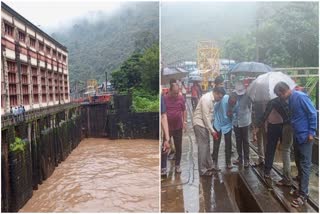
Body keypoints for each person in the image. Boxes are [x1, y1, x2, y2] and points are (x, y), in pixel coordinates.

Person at [274, 82, 317, 208]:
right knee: (298, 162)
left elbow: (313, 113)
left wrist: (312, 131)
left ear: (283, 91)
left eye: (279, 95)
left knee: (304, 165)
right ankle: (301, 190)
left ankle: (303, 195)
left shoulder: (300, 97)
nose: (280, 97)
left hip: (305, 136)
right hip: (297, 135)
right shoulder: (291, 100)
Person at [255, 97, 292, 186]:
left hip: (275, 127)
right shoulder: (287, 100)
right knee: (285, 151)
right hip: (285, 126)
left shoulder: (272, 101)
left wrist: (257, 126)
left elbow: (265, 115)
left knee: (271, 149)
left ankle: (267, 171)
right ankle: (286, 176)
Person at [193, 87, 225, 176]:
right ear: (216, 93)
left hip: (204, 125)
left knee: (206, 145)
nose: (220, 99)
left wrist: (211, 129)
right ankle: (202, 170)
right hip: (200, 124)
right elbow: (205, 117)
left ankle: (209, 166)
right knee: (203, 147)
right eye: (220, 97)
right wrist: (212, 131)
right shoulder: (206, 99)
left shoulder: (211, 100)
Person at [164, 80, 187, 173]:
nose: (176, 95)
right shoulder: (164, 99)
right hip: (168, 128)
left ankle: (177, 165)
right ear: (170, 91)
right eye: (174, 93)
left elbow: (184, 110)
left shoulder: (181, 98)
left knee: (178, 147)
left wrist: (185, 122)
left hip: (178, 126)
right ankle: (163, 167)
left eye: (177, 93)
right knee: (165, 146)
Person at [212, 91, 235, 170]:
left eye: (233, 104)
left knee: (228, 144)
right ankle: (215, 162)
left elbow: (236, 116)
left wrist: (232, 115)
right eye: (231, 103)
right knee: (216, 143)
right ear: (229, 99)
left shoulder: (236, 104)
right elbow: (215, 107)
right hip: (218, 122)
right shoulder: (224, 98)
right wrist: (213, 118)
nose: (232, 105)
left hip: (227, 125)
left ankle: (228, 161)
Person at [232, 82, 252, 168]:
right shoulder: (233, 96)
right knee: (238, 140)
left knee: (246, 141)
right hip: (236, 122)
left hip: (245, 121)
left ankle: (247, 159)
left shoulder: (248, 96)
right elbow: (231, 107)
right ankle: (240, 157)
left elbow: (250, 108)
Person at [252, 101, 268, 166]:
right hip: (264, 124)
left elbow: (253, 116)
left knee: (260, 143)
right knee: (264, 143)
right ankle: (265, 160)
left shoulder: (256, 103)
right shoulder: (267, 101)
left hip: (260, 124)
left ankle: (261, 159)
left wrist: (255, 128)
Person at [161, 95, 170, 176]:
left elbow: (163, 116)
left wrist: (167, 139)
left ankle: (163, 168)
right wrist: (167, 139)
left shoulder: (161, 98)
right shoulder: (162, 97)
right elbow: (163, 116)